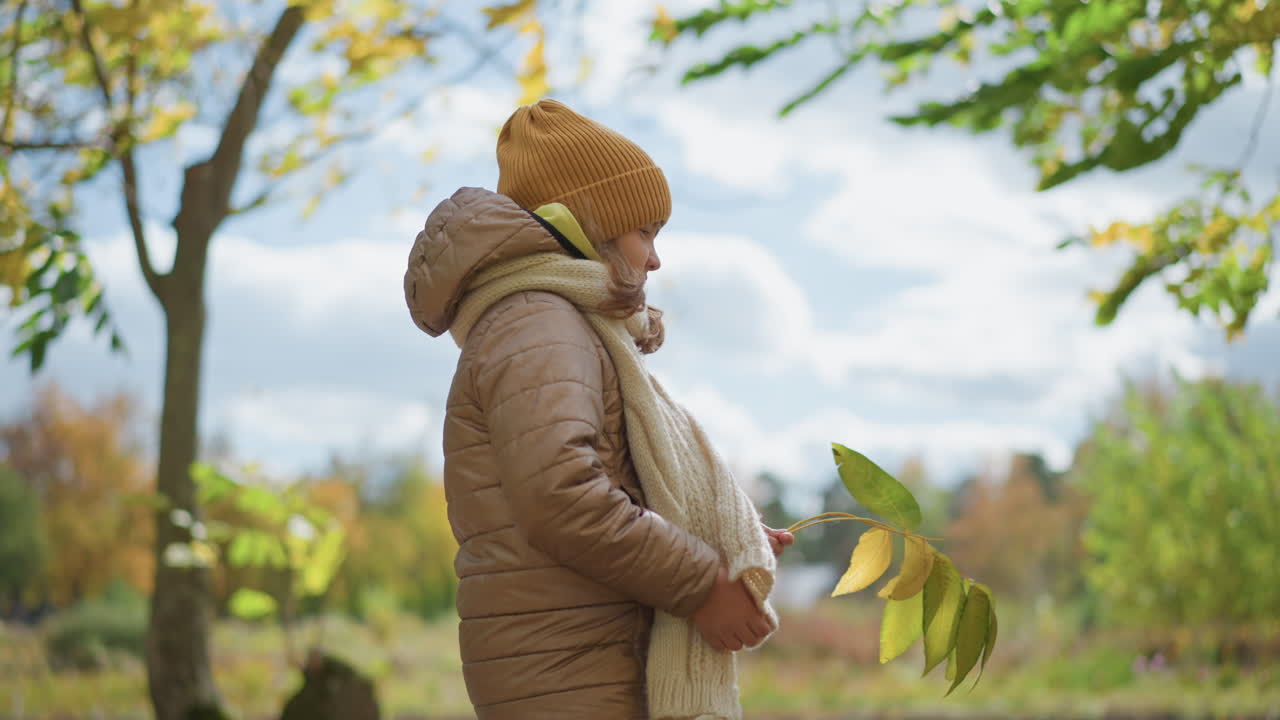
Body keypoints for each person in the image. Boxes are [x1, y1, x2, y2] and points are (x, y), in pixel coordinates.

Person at [403, 99, 795, 720]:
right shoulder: (537, 321)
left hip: (575, 663)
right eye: (646, 233)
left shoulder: (550, 320)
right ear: (591, 225)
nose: (656, 259)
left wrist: (717, 531)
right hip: (569, 673)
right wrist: (700, 584)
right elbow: (562, 495)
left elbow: (599, 479)